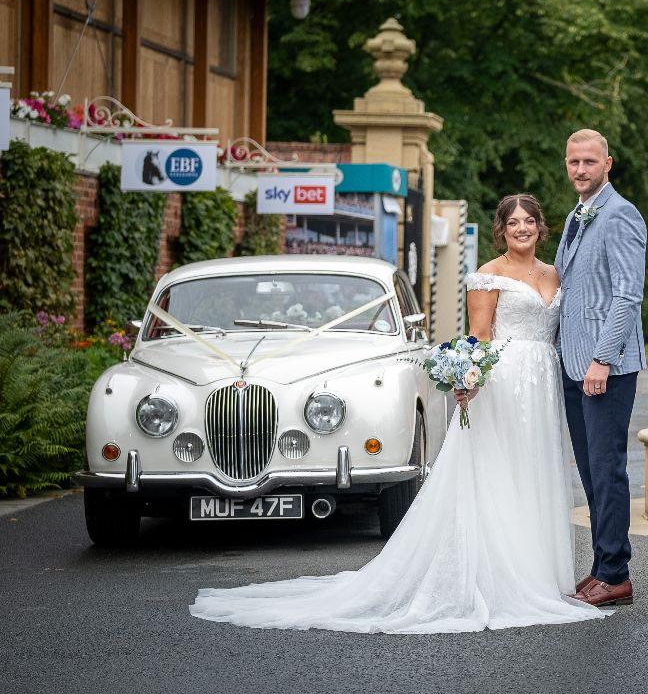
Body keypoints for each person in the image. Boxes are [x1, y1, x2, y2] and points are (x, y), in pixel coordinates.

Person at [189, 194, 607, 633]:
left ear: (541, 227)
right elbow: (480, 337)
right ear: (501, 229)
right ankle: (500, 577)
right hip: (502, 383)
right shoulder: (488, 275)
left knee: (533, 472)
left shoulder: (555, 274)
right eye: (513, 222)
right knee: (498, 473)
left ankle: (539, 573)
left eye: (530, 221)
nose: (522, 228)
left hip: (543, 382)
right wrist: (470, 380)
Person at [555, 128, 647, 607]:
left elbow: (628, 296)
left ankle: (616, 573)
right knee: (591, 471)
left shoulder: (620, 214)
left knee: (607, 469)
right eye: (573, 162)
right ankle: (602, 566)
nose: (580, 170)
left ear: (607, 163)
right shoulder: (576, 215)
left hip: (603, 367)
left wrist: (602, 359)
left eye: (589, 162)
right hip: (575, 366)